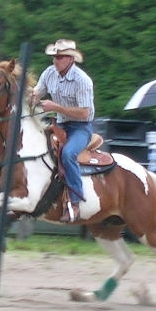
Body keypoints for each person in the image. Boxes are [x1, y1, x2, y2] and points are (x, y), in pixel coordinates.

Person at [32, 39, 95, 222]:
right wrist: (31, 97)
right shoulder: (49, 73)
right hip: (59, 125)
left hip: (80, 128)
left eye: (59, 57)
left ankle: (75, 203)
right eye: (54, 57)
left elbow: (85, 113)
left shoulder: (82, 80)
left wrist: (56, 107)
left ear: (70, 59)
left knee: (68, 154)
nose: (55, 60)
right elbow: (37, 92)